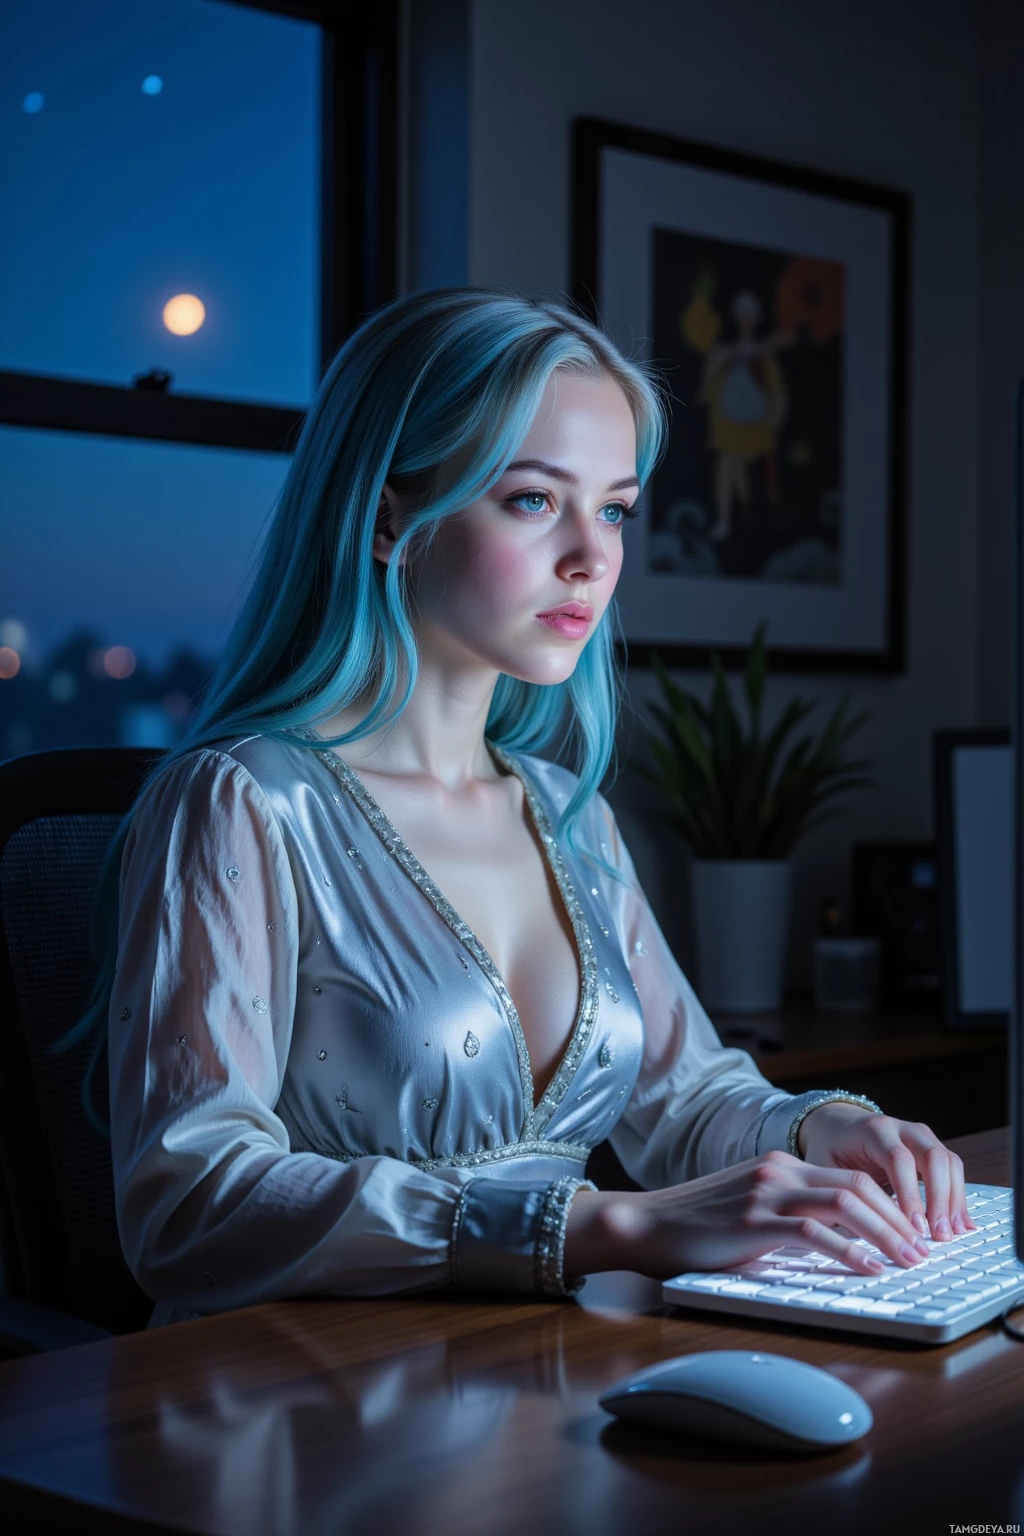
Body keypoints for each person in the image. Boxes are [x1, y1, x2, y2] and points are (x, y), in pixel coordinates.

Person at [76, 287, 971, 1327]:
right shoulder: (239, 804)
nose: (594, 559)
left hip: (538, 1373)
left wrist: (819, 1125)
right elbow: (185, 1203)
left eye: (616, 509)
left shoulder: (567, 810)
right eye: (534, 500)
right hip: (290, 1404)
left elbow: (680, 1098)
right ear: (386, 516)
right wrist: (601, 1225)